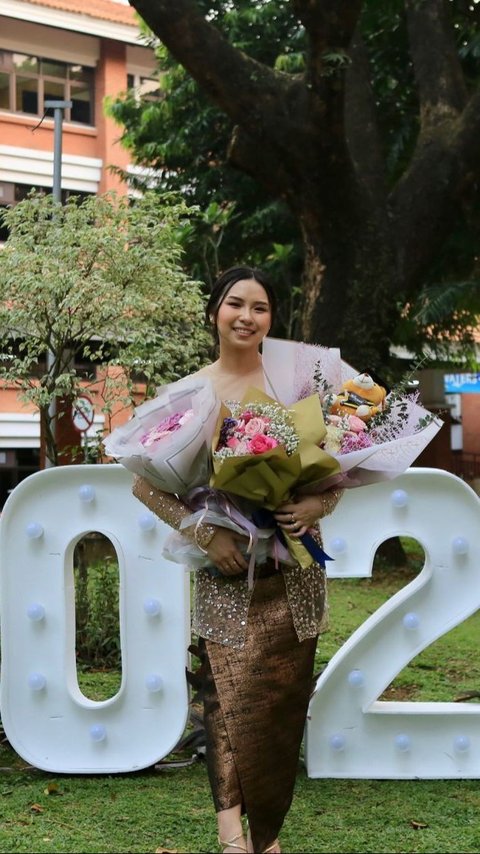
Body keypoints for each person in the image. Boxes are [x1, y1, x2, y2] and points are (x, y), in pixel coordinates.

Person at [132, 266, 342, 854]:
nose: (247, 317)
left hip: (296, 571)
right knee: (224, 698)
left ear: (272, 319)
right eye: (235, 304)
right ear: (215, 313)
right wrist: (205, 533)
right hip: (226, 572)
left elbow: (338, 471)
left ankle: (269, 835)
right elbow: (144, 486)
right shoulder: (188, 395)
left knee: (282, 698)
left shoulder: (299, 385)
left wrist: (313, 502)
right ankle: (233, 836)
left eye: (261, 308)